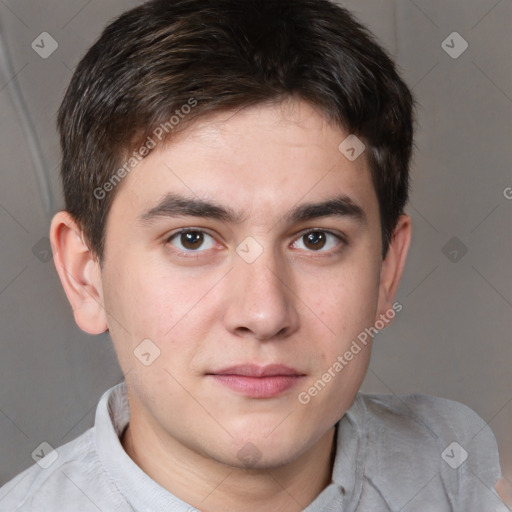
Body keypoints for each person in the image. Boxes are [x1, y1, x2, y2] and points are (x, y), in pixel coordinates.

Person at [0, 0, 508, 510]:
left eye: (316, 239)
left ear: (386, 271)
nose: (264, 314)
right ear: (86, 275)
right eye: (192, 239)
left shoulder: (459, 469)